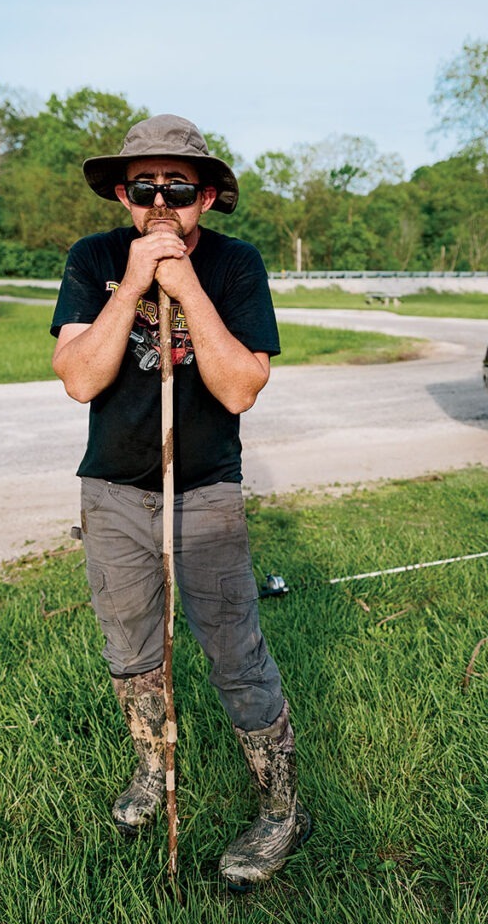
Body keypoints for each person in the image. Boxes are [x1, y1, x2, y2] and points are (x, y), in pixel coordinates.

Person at [50, 114, 310, 890]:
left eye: (179, 187)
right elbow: (80, 378)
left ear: (209, 197)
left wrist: (185, 286)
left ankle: (281, 808)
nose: (161, 201)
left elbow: (239, 386)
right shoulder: (93, 259)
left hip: (204, 491)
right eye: (144, 187)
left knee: (234, 655)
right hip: (114, 490)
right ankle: (152, 772)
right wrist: (133, 284)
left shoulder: (236, 266)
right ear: (124, 196)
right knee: (130, 652)